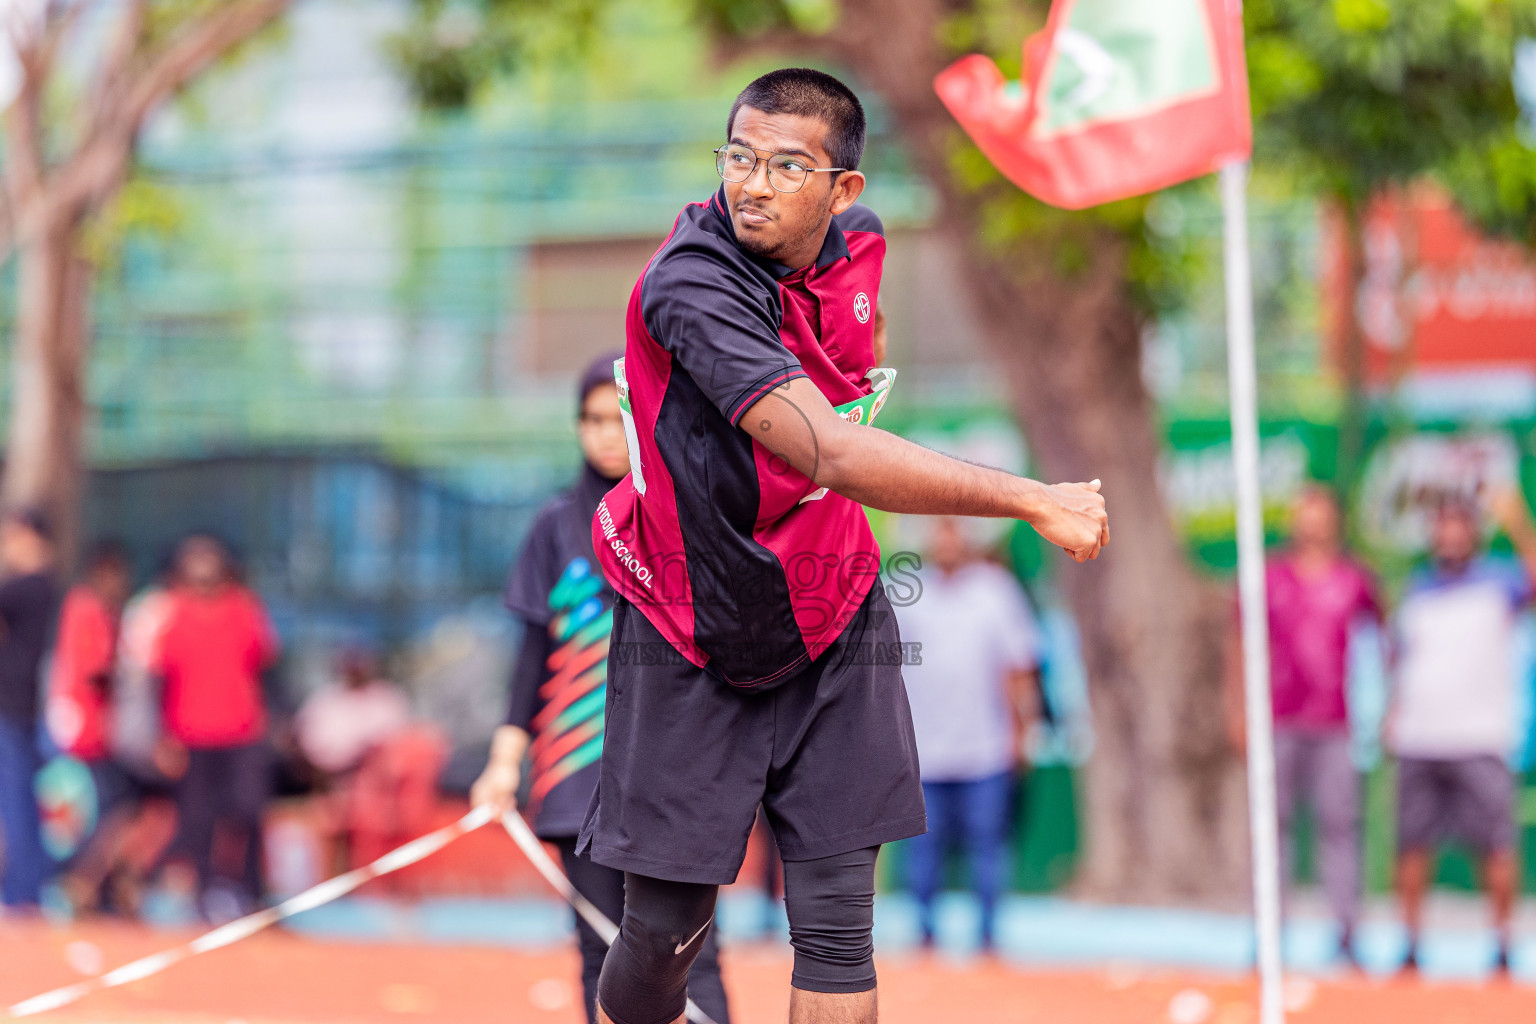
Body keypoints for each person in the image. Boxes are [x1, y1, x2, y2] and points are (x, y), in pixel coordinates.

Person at [579, 68, 1107, 1024]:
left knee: (836, 928)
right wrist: (1032, 498)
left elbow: (854, 363)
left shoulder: (861, 246)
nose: (753, 182)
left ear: (842, 189)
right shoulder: (691, 284)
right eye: (738, 157)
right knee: (665, 931)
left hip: (831, 610)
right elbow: (828, 445)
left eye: (787, 165)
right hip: (689, 621)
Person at [473, 355, 731, 1024]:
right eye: (590, 420)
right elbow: (531, 656)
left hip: (673, 772)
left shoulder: (690, 516)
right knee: (599, 950)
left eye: (619, 416)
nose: (607, 434)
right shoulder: (555, 526)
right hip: (576, 774)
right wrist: (505, 762)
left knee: (688, 953)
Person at [1227, 485, 1381, 965]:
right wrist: (1238, 710)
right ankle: (1269, 934)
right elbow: (1239, 645)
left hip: (1336, 723)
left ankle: (1347, 933)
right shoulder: (1268, 579)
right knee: (1271, 830)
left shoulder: (1355, 581)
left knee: (1340, 826)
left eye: (1318, 512)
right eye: (1302, 513)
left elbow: (1381, 641)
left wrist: (1379, 711)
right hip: (1279, 721)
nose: (1310, 523)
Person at [1390, 490, 1536, 975]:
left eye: (1459, 527)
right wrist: (1393, 713)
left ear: (1473, 534)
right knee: (1412, 844)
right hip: (1419, 737)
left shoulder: (1499, 582)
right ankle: (1410, 945)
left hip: (1480, 737)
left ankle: (1501, 945)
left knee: (1494, 845)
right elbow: (1401, 657)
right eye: (1442, 527)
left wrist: (1518, 521)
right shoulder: (1416, 587)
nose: (1449, 536)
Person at [896, 517, 1043, 954]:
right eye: (939, 531)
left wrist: (1023, 731)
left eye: (953, 530)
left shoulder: (995, 592)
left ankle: (988, 940)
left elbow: (1018, 668)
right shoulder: (905, 594)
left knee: (989, 848)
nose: (946, 540)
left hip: (986, 749)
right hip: (923, 750)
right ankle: (924, 936)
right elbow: (885, 675)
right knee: (923, 851)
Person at [152, 535, 279, 919]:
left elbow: (266, 668)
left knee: (248, 809)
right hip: (192, 732)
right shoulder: (176, 613)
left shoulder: (243, 609)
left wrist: (274, 718)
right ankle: (204, 893)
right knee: (198, 817)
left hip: (242, 731)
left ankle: (251, 892)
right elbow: (162, 677)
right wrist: (164, 736)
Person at [46, 540, 137, 913]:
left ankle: (89, 885)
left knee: (106, 808)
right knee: (107, 809)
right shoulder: (88, 609)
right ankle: (78, 881)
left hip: (90, 731)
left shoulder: (93, 609)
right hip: (84, 733)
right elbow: (93, 670)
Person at [0, 508, 58, 912]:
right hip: (29, 706)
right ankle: (28, 889)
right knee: (23, 802)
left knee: (17, 803)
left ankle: (23, 893)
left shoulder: (28, 587)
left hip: (14, 705)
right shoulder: (53, 587)